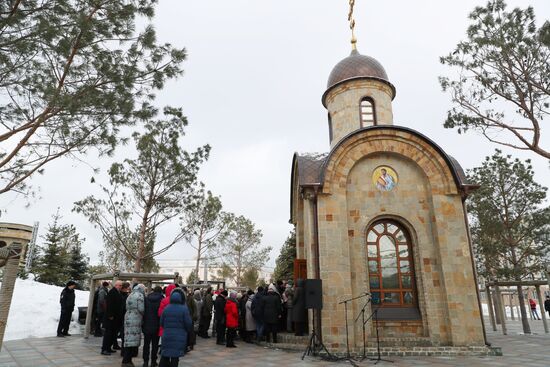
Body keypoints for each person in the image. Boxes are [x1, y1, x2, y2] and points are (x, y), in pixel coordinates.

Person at [159, 289, 193, 367]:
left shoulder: (166, 308)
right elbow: (188, 324)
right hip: (179, 336)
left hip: (167, 335)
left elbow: (161, 323)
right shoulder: (184, 309)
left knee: (165, 355)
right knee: (175, 357)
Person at [122, 284, 145, 367]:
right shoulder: (140, 295)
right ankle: (126, 361)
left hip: (128, 317)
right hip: (135, 319)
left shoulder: (130, 294)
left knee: (128, 340)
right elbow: (141, 309)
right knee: (132, 341)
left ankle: (126, 360)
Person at [143, 286, 163, 367]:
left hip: (147, 324)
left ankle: (145, 361)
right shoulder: (161, 299)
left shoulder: (147, 298)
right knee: (155, 345)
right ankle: (153, 361)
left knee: (146, 344)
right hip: (156, 325)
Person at [101, 280, 123, 355]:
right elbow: (109, 305)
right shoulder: (112, 292)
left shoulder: (116, 292)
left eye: (121, 285)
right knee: (108, 334)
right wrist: (110, 315)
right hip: (111, 318)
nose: (120, 287)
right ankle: (104, 349)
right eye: (119, 285)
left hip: (115, 318)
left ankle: (108, 348)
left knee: (112, 334)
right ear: (115, 285)